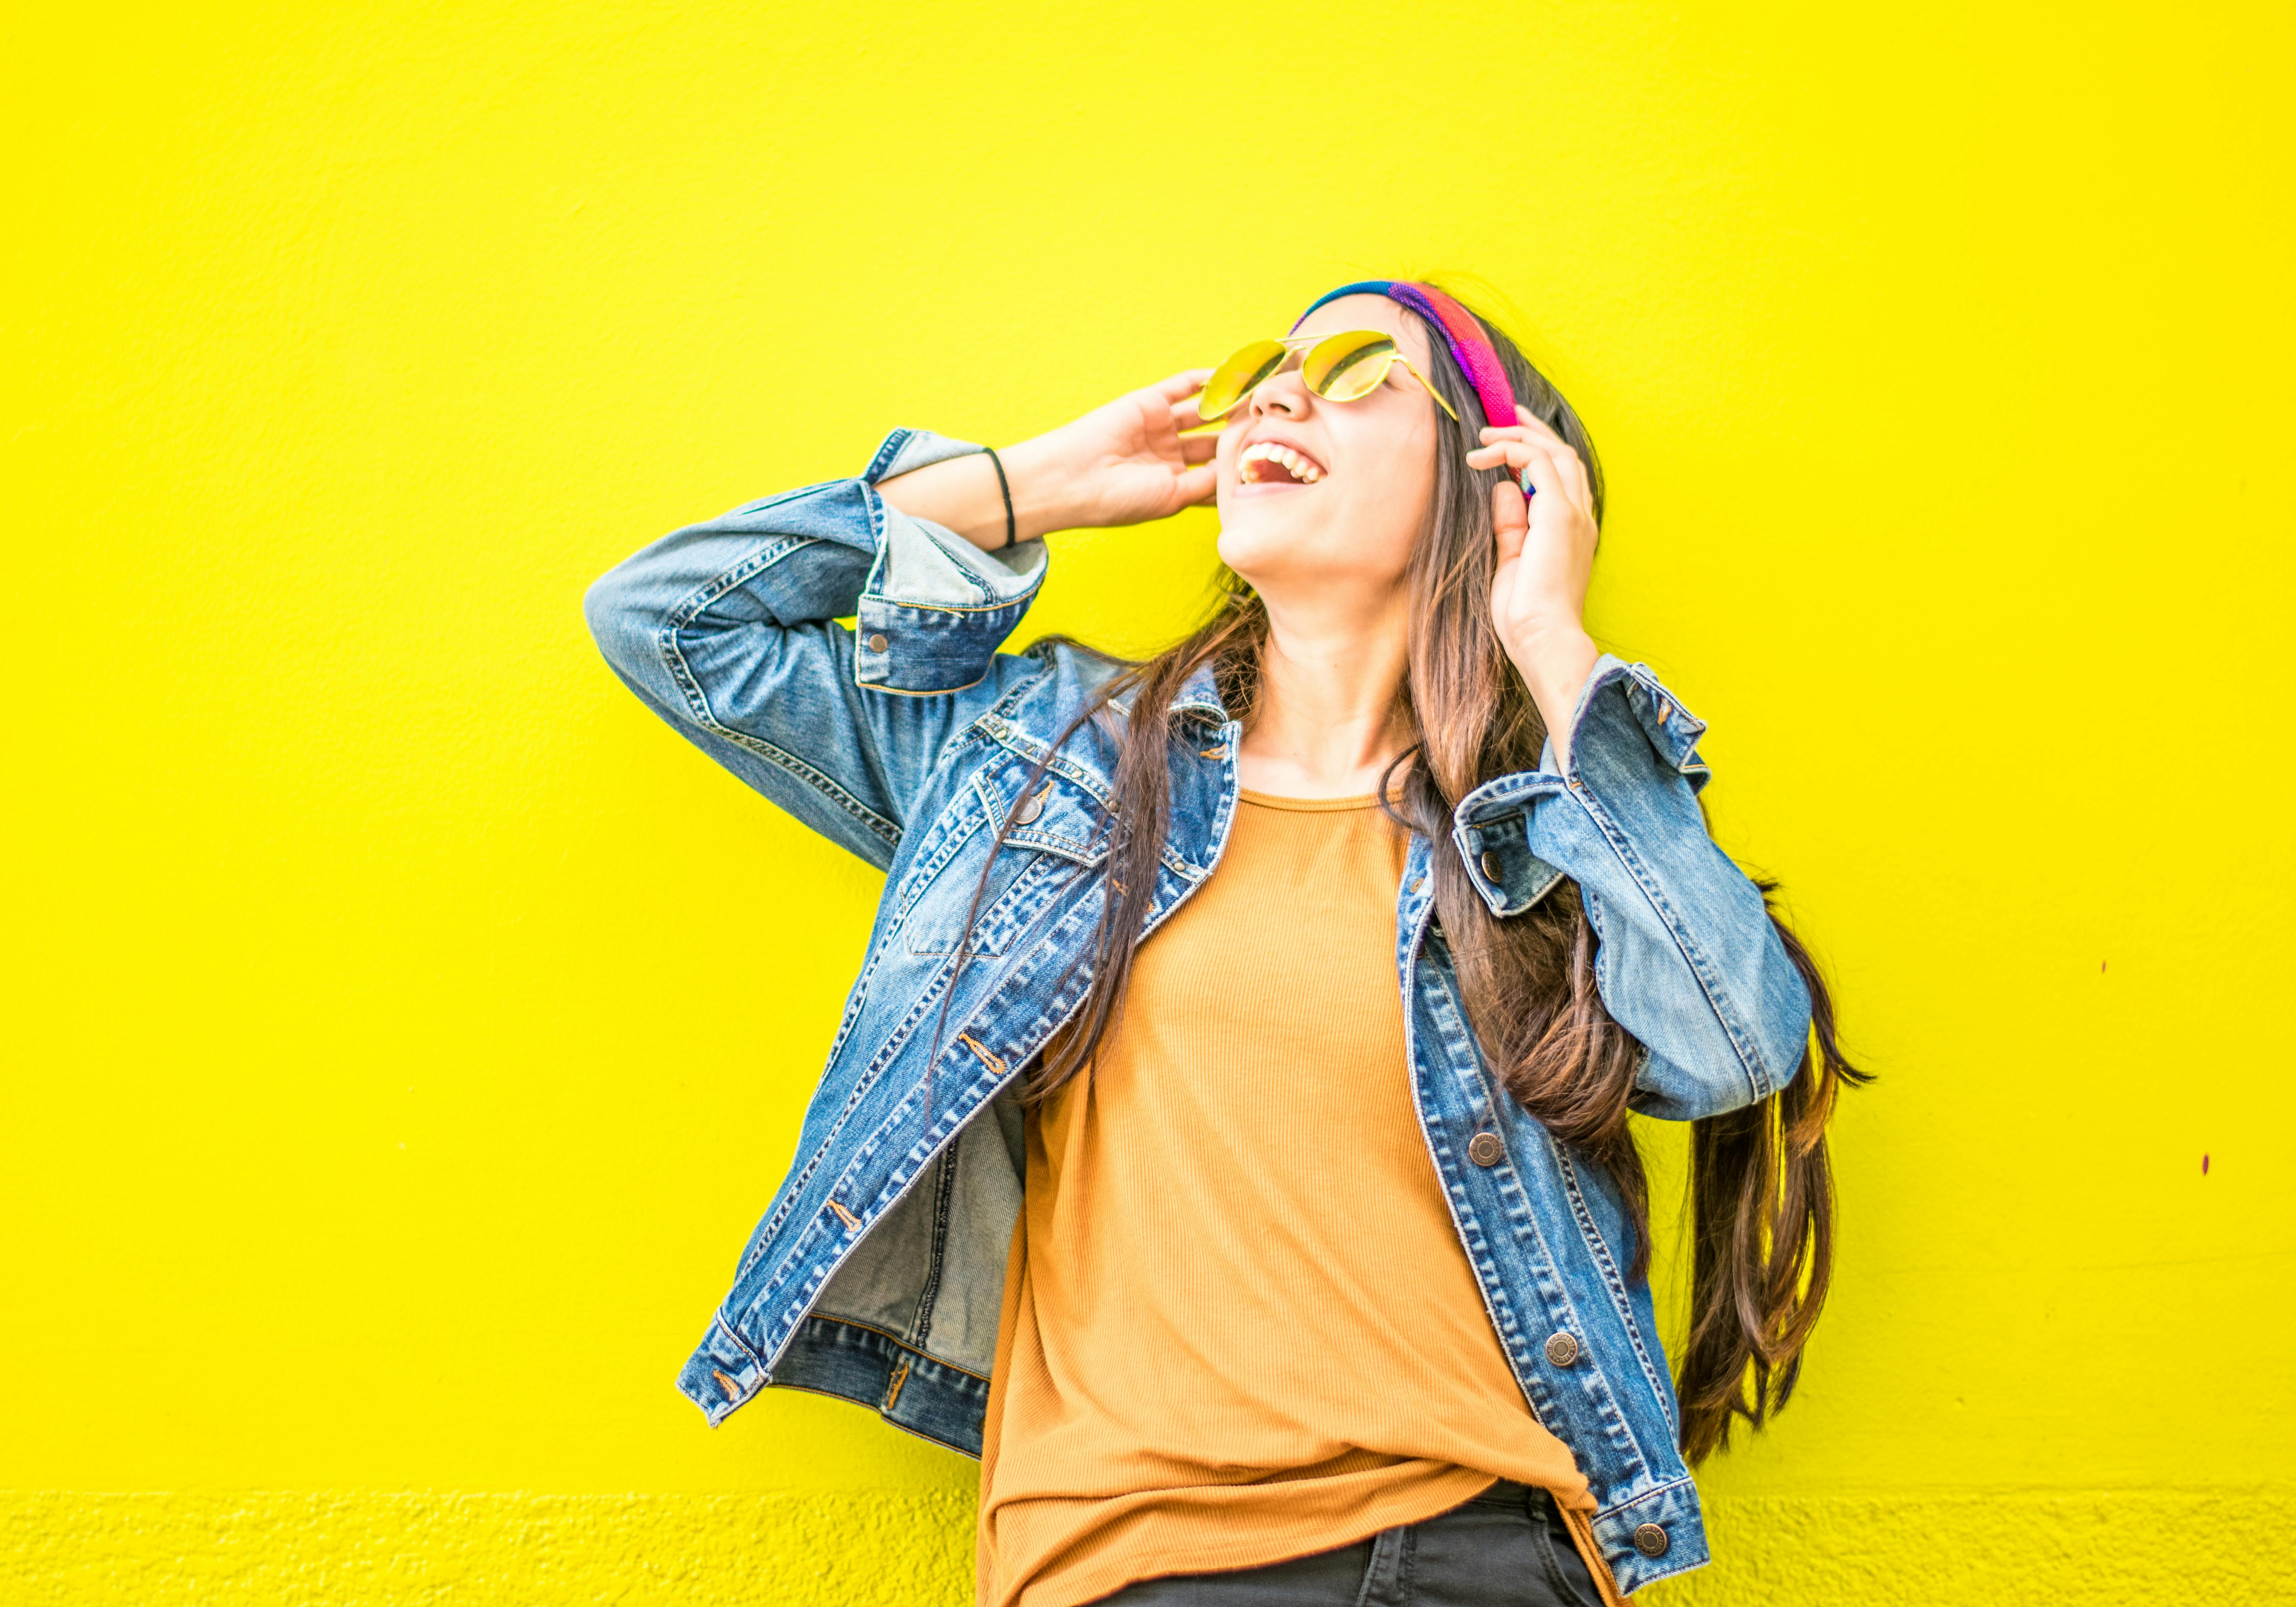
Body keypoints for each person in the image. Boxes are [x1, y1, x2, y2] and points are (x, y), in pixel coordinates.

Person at [583, 279, 1864, 1606]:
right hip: (1136, 1562)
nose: (1275, 391)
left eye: (1362, 369)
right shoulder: (1042, 761)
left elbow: (1732, 1047)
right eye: (1267, 368)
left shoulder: (1543, 831)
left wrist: (1550, 640)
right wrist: (1034, 484)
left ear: (1500, 486)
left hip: (1500, 1548)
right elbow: (669, 621)